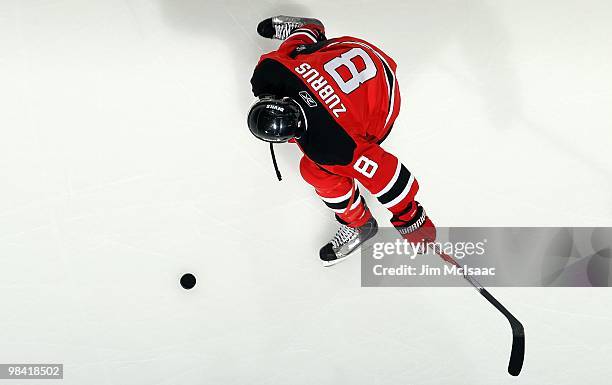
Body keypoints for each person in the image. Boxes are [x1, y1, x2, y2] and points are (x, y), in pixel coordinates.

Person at [248, 16, 435, 266]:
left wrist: (412, 219)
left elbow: (386, 175)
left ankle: (359, 225)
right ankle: (309, 30)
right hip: (355, 50)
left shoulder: (333, 146)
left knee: (316, 170)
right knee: (297, 53)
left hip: (384, 94)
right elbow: (288, 55)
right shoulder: (269, 73)